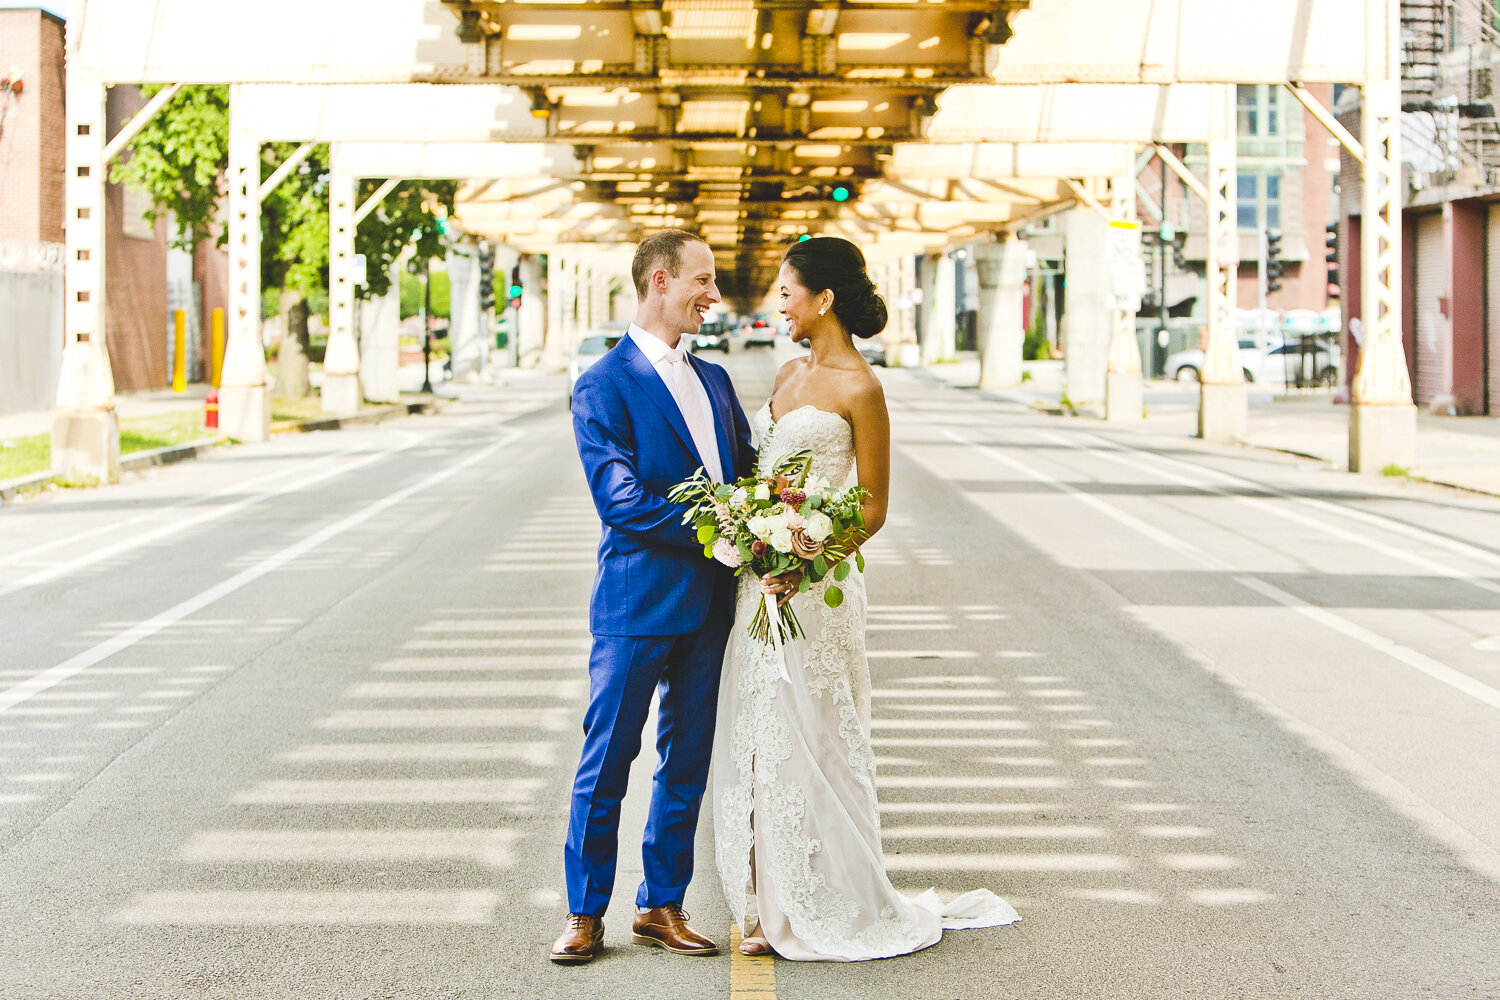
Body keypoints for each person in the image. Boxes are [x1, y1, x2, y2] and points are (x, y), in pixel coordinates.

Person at [712, 236, 1020, 961]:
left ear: (823, 300)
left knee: (815, 736)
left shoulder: (863, 389)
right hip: (762, 581)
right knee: (763, 736)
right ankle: (768, 903)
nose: (778, 304)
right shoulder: (787, 374)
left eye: (787, 292)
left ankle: (829, 899)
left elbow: (872, 506)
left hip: (818, 591)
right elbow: (766, 478)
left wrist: (807, 561)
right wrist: (757, 536)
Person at [553, 230, 755, 964]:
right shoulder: (603, 383)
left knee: (687, 762)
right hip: (637, 606)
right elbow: (622, 502)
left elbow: (747, 473)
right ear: (661, 281)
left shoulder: (718, 382)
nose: (713, 296)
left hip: (710, 605)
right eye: (703, 281)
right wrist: (719, 531)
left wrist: (771, 515)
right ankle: (584, 912)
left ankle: (661, 904)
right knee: (606, 761)